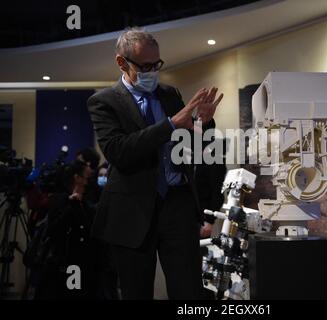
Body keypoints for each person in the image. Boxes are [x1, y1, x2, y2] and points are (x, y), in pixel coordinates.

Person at [87, 27, 223, 299]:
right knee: (136, 291)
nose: (152, 71)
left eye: (156, 64)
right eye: (145, 66)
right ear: (121, 62)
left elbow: (192, 150)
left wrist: (203, 124)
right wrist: (171, 124)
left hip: (178, 206)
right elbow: (119, 152)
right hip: (132, 211)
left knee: (189, 292)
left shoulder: (170, 95)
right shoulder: (103, 102)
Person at [34, 161, 100, 300]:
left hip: (83, 265)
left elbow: (89, 227)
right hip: (67, 264)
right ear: (77, 178)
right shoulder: (61, 200)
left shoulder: (86, 202)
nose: (89, 182)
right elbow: (54, 230)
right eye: (86, 178)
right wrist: (72, 206)